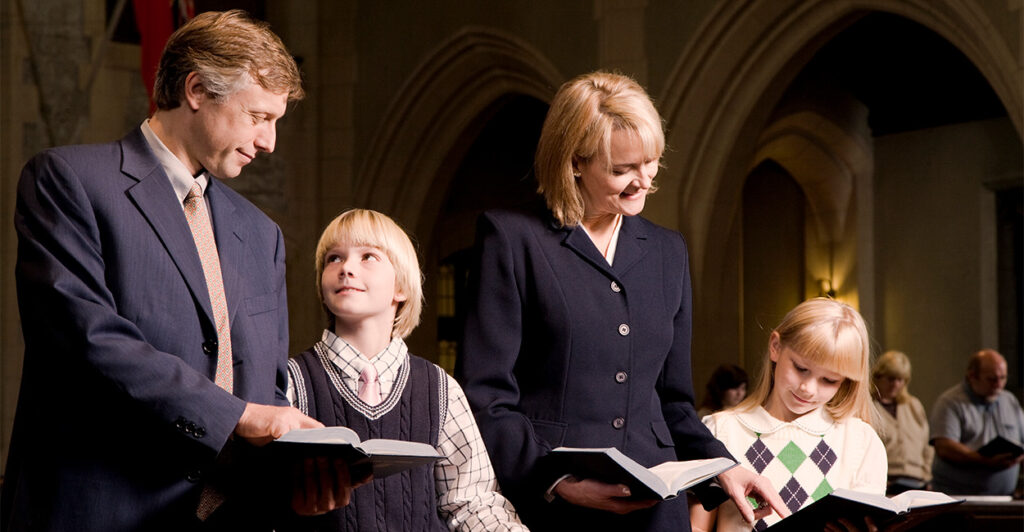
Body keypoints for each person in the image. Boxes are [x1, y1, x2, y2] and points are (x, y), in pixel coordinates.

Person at [2, 10, 353, 531]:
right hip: (102, 514)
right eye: (259, 117)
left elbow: (265, 393)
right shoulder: (68, 181)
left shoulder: (262, 235)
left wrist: (292, 485)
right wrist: (236, 417)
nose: (270, 142)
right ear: (195, 90)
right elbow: (85, 340)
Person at [455, 71, 787, 531]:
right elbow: (486, 397)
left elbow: (672, 402)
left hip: (657, 507)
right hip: (553, 507)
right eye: (621, 170)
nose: (644, 182)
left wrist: (722, 466)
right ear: (574, 162)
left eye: (651, 162)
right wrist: (558, 479)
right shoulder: (512, 238)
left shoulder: (669, 251)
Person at [282, 209, 527, 531]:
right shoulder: (290, 381)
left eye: (368, 256)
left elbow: (472, 500)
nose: (346, 269)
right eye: (333, 258)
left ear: (401, 287)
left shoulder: (441, 388)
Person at [690, 298, 887, 532]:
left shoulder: (861, 441)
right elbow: (696, 527)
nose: (808, 388)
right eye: (801, 368)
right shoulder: (719, 431)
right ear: (775, 346)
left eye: (829, 380)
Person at [930, 349, 1024, 495]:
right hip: (959, 500)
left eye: (1003, 378)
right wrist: (984, 460)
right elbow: (945, 447)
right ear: (972, 376)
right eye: (992, 379)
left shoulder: (1009, 400)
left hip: (1005, 498)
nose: (999, 384)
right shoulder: (950, 402)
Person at [870, 350, 933, 494]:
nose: (896, 384)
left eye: (901, 380)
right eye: (891, 379)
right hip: (887, 481)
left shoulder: (913, 405)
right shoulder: (869, 406)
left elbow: (927, 447)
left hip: (917, 481)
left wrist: (927, 476)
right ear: (878, 377)